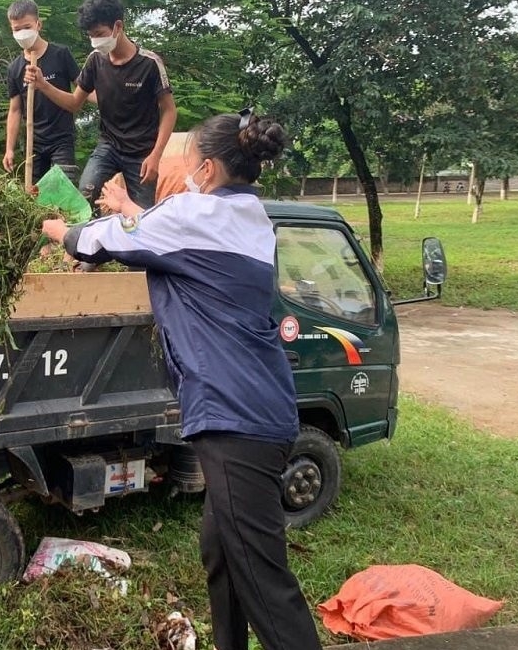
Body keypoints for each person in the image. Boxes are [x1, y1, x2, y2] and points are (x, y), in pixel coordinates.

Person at [42, 111, 322, 650]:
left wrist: (60, 231)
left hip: (235, 418)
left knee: (264, 581)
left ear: (209, 168)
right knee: (222, 552)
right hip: (259, 407)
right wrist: (129, 210)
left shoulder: (193, 214)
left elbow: (101, 240)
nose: (182, 170)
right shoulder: (249, 217)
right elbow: (168, 232)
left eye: (188, 160)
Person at [26, 0, 176, 210]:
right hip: (109, 146)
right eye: (91, 35)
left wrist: (156, 156)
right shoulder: (95, 60)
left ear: (118, 26)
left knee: (143, 216)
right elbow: (75, 103)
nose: (95, 41)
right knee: (85, 195)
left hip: (142, 152)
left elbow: (169, 110)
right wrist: (43, 85)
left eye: (99, 33)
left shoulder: (149, 63)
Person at [2, 0, 83, 182]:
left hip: (62, 140)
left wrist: (106, 100)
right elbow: (15, 110)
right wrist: (9, 149)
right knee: (34, 199)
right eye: (17, 29)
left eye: (27, 27)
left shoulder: (60, 54)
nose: (22, 33)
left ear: (38, 24)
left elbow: (84, 88)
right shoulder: (14, 69)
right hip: (33, 144)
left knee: (64, 192)